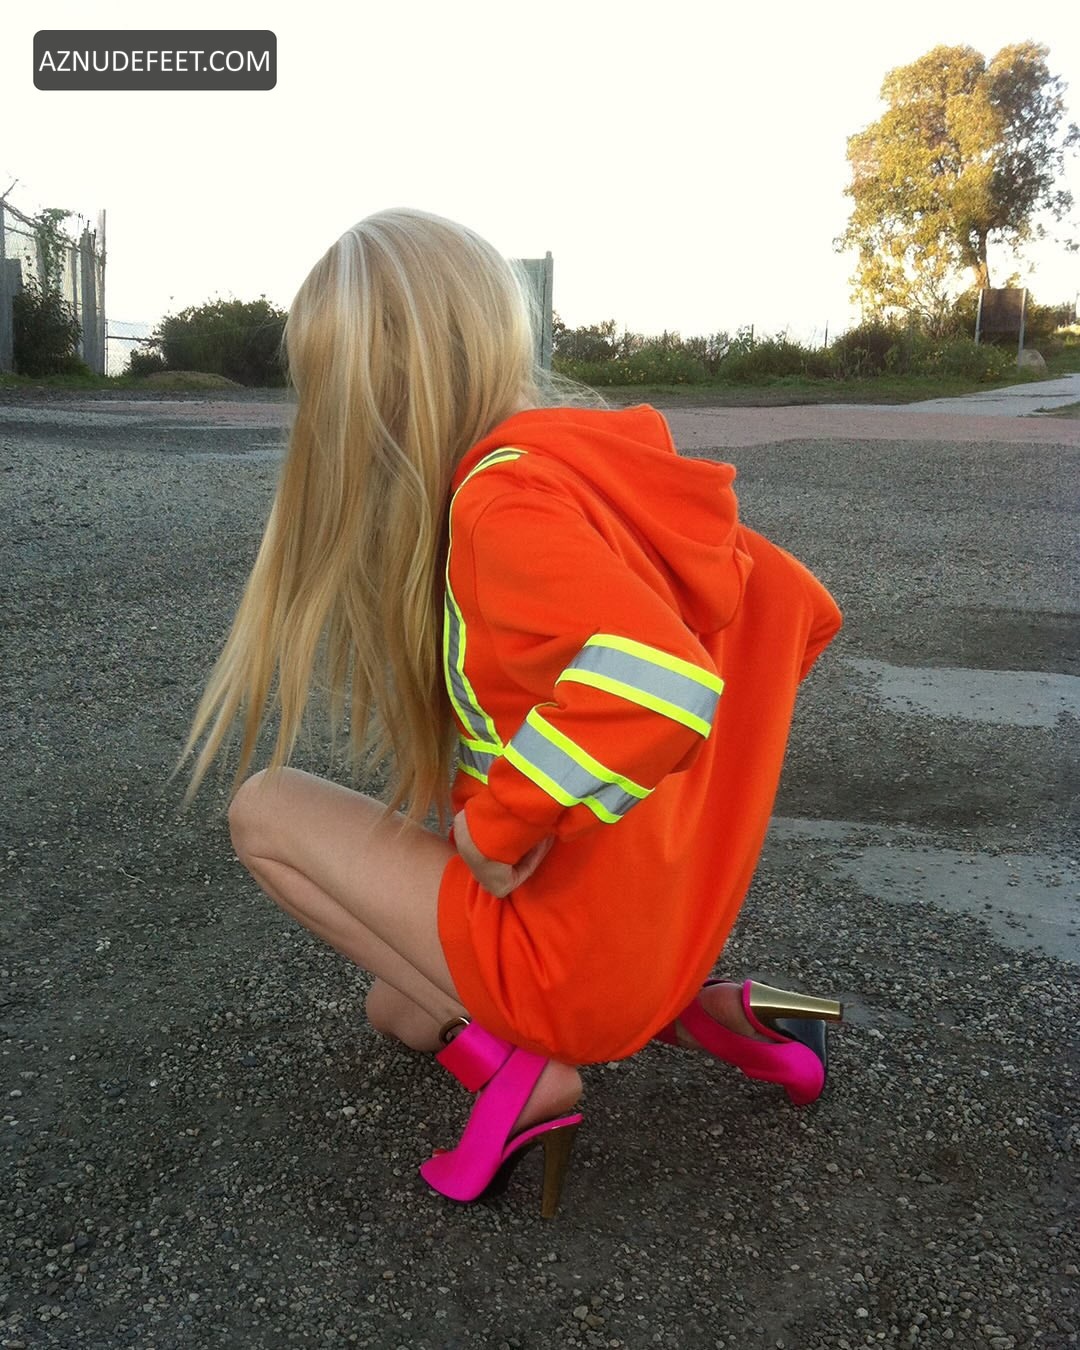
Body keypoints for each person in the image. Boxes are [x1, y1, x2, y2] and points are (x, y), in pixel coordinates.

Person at [184, 208, 844, 1220]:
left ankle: (527, 1073)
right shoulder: (603, 479)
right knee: (399, 1010)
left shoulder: (503, 503)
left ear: (364, 394)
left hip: (577, 965)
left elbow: (663, 682)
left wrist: (505, 824)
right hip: (672, 937)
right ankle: (686, 1013)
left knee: (262, 809)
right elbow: (793, 607)